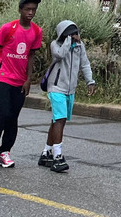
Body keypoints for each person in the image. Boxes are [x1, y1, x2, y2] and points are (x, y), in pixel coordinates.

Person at [0, 0, 44, 168]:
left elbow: (31, 56)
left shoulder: (36, 31)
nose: (31, 13)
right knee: (1, 114)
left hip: (20, 81)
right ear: (20, 10)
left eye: (33, 10)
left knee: (12, 118)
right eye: (27, 9)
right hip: (2, 77)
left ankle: (4, 152)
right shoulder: (8, 28)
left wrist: (28, 79)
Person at [39, 20, 96, 173]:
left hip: (70, 89)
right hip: (56, 87)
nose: (74, 35)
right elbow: (60, 55)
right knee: (60, 119)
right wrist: (68, 41)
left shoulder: (79, 46)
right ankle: (58, 157)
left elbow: (85, 64)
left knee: (57, 120)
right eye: (70, 33)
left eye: (75, 32)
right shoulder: (55, 45)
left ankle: (46, 152)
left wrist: (90, 81)